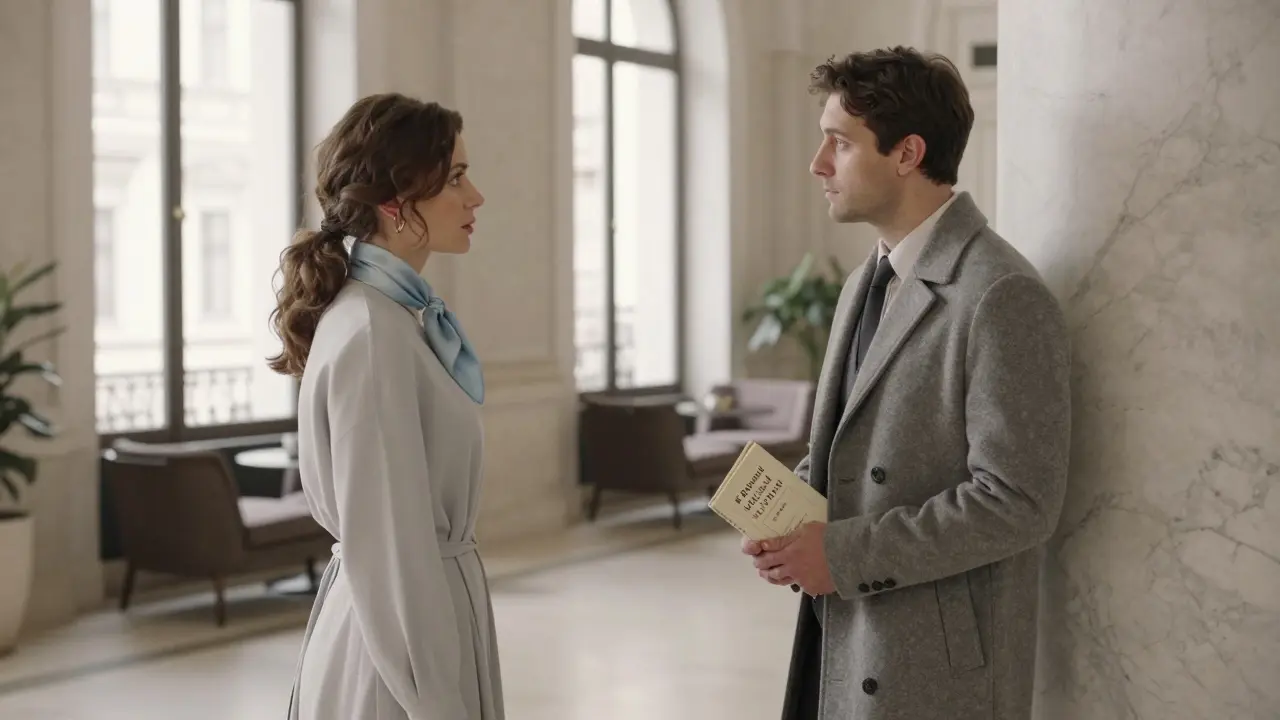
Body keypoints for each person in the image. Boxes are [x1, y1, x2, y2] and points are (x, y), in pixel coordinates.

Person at [744, 47, 1072, 720]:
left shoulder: (1000, 294)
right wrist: (790, 519)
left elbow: (1018, 502)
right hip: (844, 637)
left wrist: (841, 553)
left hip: (932, 673)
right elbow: (856, 446)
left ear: (907, 153)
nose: (818, 164)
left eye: (840, 143)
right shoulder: (864, 281)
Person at [268, 92, 502, 719]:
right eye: (455, 177)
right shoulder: (372, 333)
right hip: (396, 660)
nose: (476, 196)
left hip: (420, 628)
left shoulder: (393, 320)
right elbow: (391, 551)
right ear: (396, 202)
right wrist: (437, 700)